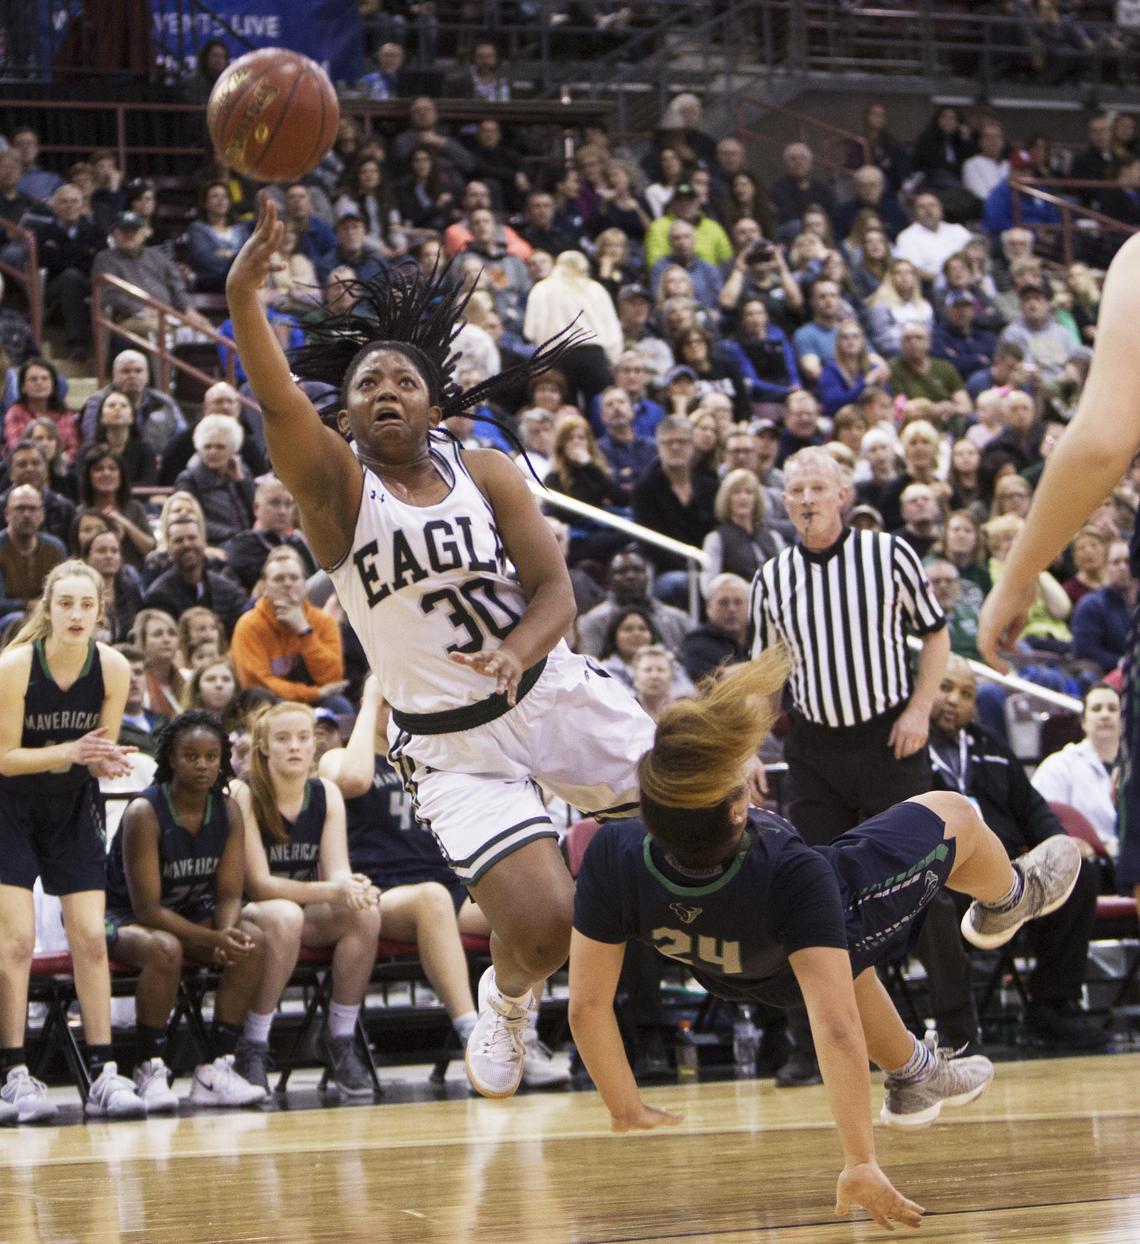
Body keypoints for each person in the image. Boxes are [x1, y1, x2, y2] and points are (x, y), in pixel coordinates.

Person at [224, 196, 657, 1101]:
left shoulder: (488, 469)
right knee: (543, 929)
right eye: (367, 384)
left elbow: (555, 592)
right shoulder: (337, 494)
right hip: (452, 743)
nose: (385, 392)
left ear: (434, 404)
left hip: (549, 690)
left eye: (403, 382)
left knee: (714, 805)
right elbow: (274, 399)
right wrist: (243, 300)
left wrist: (517, 653)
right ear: (342, 414)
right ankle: (507, 998)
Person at [569, 653, 1081, 1229]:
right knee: (954, 814)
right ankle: (1013, 898)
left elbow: (588, 1007)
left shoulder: (611, 854)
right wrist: (858, 1160)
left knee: (837, 964)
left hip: (728, 964)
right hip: (813, 915)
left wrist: (624, 1104)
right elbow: (835, 1027)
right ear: (739, 810)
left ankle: (913, 1072)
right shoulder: (791, 871)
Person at [751, 447, 980, 1081]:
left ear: (842, 494)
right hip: (816, 749)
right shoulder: (770, 578)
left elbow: (936, 634)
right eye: (795, 489)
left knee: (927, 883)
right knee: (808, 896)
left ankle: (958, 1034)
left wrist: (919, 710)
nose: (806, 499)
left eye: (817, 487)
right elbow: (764, 675)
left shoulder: (889, 555)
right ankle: (812, 1046)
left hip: (890, 742)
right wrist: (749, 749)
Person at [319, 677, 569, 1088]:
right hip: (377, 891)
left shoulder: (429, 757)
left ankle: (519, 1032)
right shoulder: (339, 759)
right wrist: (370, 702)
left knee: (533, 912)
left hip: (442, 886)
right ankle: (471, 1031)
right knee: (431, 900)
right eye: (388, 703)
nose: (396, 710)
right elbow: (354, 782)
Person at [0, 561, 145, 1122]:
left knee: (90, 937)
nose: (77, 614)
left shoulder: (111, 668)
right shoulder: (14, 667)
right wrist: (73, 752)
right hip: (11, 807)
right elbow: (6, 758)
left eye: (87, 605)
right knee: (14, 941)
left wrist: (107, 762)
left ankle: (104, 1071)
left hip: (70, 809)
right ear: (48, 609)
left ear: (99, 612)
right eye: (66, 604)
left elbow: (97, 755)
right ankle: (14, 1073)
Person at [103, 711, 279, 1108]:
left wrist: (227, 934)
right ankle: (149, 1066)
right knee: (165, 948)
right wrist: (211, 937)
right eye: (191, 756)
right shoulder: (144, 813)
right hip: (118, 914)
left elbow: (230, 892)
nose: (202, 765)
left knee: (250, 941)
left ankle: (215, 1068)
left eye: (211, 756)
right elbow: (147, 909)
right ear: (171, 759)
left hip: (186, 910)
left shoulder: (228, 810)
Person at [927, 656, 1104, 1048]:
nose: (955, 700)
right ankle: (956, 1024)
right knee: (933, 902)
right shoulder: (905, 748)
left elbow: (1032, 808)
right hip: (940, 877)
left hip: (1006, 876)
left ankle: (1052, 1008)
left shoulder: (991, 745)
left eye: (967, 694)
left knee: (1078, 878)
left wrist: (1059, 843)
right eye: (945, 688)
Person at [232, 701, 382, 1095]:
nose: (294, 747)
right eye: (283, 739)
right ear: (263, 746)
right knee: (284, 916)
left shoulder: (326, 793)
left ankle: (339, 1038)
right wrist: (333, 890)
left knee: (365, 914)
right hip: (243, 914)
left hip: (300, 910)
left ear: (315, 745)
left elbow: (337, 871)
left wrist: (352, 887)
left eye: (302, 738)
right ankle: (253, 1043)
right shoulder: (243, 793)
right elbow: (260, 884)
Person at [230, 546, 349, 707]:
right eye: (279, 579)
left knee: (338, 704)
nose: (287, 584)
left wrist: (304, 631)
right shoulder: (248, 625)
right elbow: (257, 684)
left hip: (315, 703)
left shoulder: (323, 621)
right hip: (269, 703)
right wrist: (314, 693)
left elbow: (332, 678)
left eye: (294, 577)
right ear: (264, 587)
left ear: (304, 584)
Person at [1032, 681, 1122, 859]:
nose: (1105, 715)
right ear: (1083, 722)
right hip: (1088, 865)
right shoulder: (1058, 766)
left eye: (1112, 709)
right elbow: (1041, 822)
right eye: (1096, 709)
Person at [141, 513, 248, 638]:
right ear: (169, 549)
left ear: (203, 542)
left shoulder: (228, 591)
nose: (187, 545)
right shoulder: (157, 597)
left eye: (192, 538)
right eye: (178, 540)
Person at [576, 550, 693, 658]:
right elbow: (591, 666)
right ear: (609, 580)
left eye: (637, 570)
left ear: (648, 577)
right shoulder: (592, 621)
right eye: (621, 572)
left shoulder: (678, 618)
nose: (630, 576)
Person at [0, 484, 66, 622]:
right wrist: (28, 605)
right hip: (6, 623)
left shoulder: (55, 548)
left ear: (42, 515)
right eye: (20, 508)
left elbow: (63, 592)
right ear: (7, 514)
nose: (26, 515)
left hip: (46, 615)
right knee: (16, 619)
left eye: (32, 509)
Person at [1070, 538, 1135, 674]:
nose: (1123, 567)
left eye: (1128, 561)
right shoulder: (1091, 605)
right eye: (1116, 562)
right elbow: (1083, 650)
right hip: (1106, 676)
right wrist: (1119, 662)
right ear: (1105, 568)